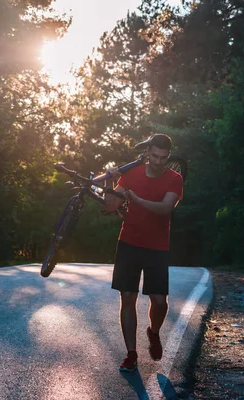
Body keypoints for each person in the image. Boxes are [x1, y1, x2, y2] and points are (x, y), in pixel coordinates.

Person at [103, 133, 183, 372]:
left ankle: (154, 332)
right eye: (155, 156)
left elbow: (165, 208)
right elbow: (110, 205)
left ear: (168, 157)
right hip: (129, 243)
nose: (159, 162)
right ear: (147, 153)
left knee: (159, 302)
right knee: (127, 298)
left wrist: (137, 199)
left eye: (164, 158)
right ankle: (131, 353)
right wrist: (110, 180)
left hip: (157, 247)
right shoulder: (131, 174)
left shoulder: (174, 178)